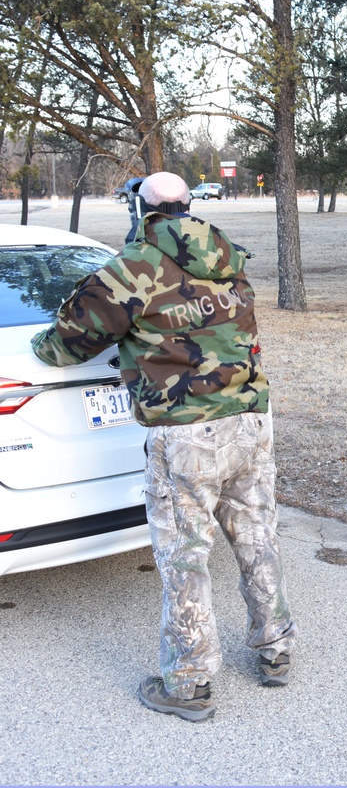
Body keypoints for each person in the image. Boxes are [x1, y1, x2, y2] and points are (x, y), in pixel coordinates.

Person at [31, 171, 297, 722]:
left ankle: (189, 684)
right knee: (258, 536)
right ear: (188, 205)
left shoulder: (132, 269)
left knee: (185, 557)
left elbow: (64, 345)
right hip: (251, 417)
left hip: (188, 433)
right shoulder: (226, 255)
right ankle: (276, 650)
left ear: (140, 207)